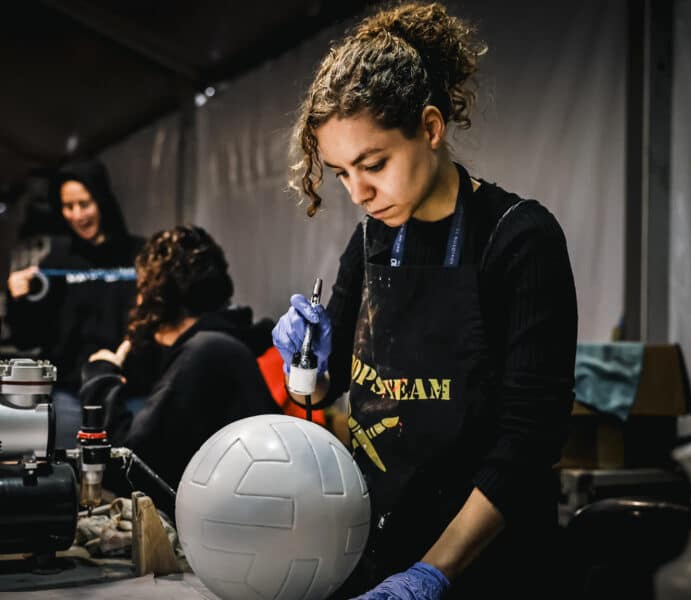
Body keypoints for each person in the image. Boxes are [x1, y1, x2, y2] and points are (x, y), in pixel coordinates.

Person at [272, 3, 578, 598]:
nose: (359, 193)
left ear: (431, 129)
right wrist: (303, 363)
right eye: (339, 174)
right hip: (379, 550)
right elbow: (320, 391)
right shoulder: (372, 239)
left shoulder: (518, 239)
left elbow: (530, 440)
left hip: (489, 563)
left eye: (374, 164)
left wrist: (432, 573)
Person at [81, 225, 279, 515]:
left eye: (142, 289)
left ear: (154, 298)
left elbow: (129, 470)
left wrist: (101, 375)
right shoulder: (229, 342)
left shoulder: (206, 353)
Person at [5, 158, 150, 448]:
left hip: (129, 388)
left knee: (134, 469)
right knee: (68, 472)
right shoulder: (56, 260)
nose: (77, 215)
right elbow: (26, 338)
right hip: (70, 392)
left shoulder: (139, 254)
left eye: (85, 204)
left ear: (103, 201)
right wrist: (17, 299)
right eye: (68, 207)